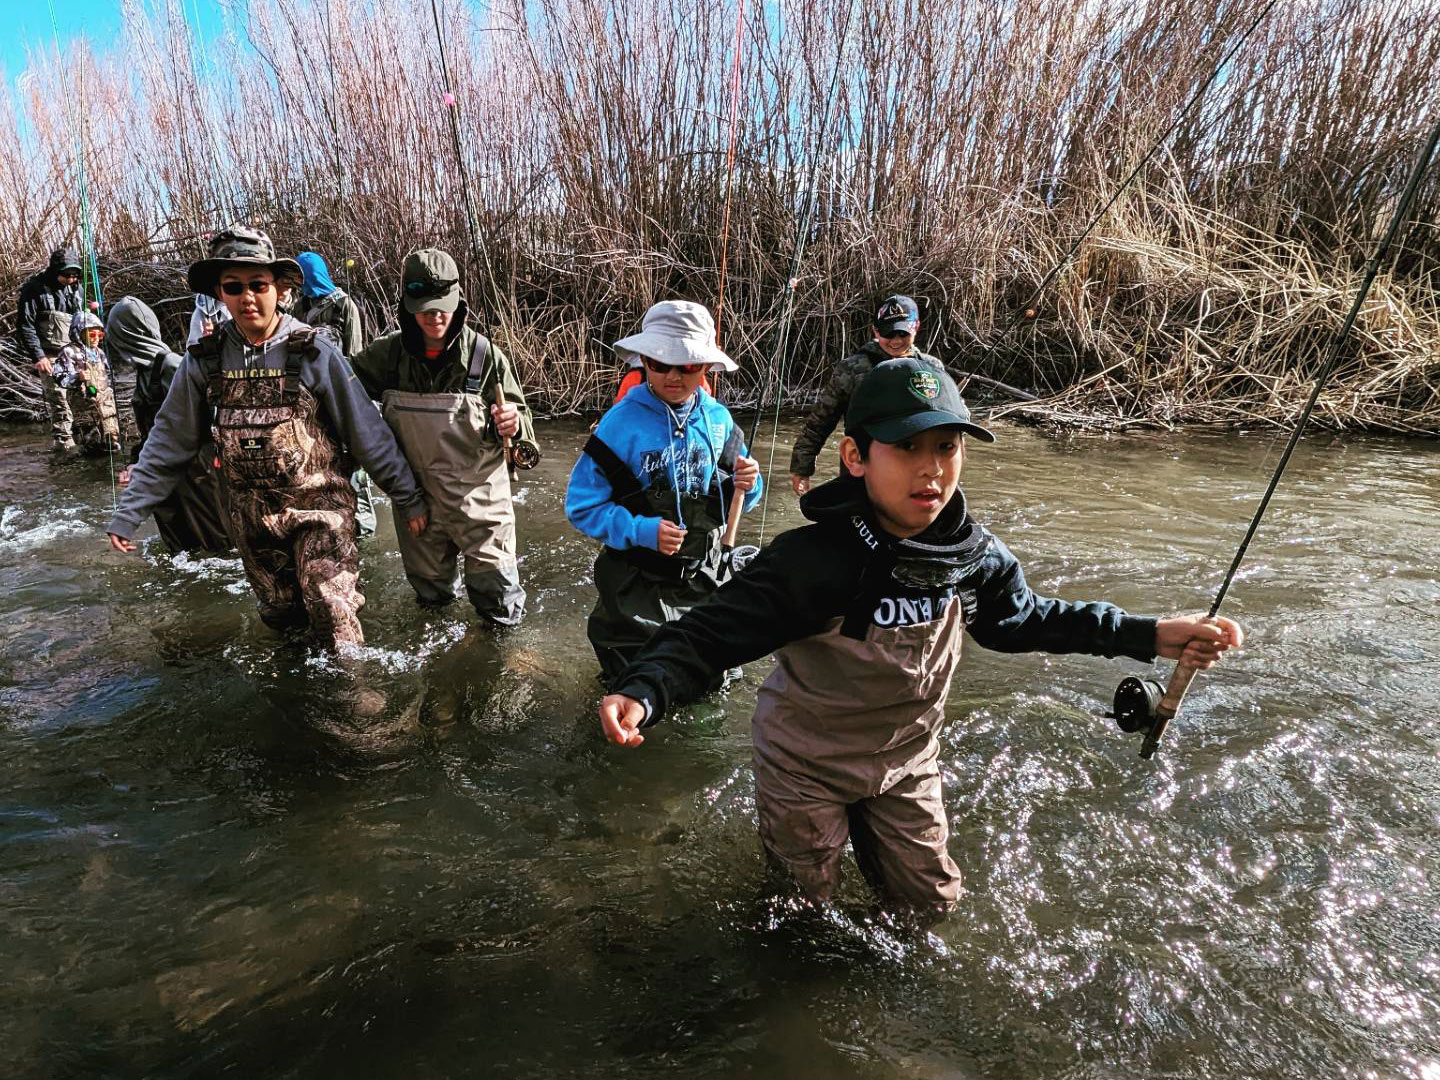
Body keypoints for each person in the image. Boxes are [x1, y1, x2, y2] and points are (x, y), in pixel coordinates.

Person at [599, 358, 1243, 919]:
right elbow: (708, 635)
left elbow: (1023, 619)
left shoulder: (972, 556)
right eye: (908, 448)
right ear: (856, 457)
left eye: (946, 447)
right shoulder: (811, 562)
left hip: (905, 763)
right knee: (803, 911)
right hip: (805, 767)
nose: (931, 471)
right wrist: (644, 690)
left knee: (930, 905)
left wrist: (1149, 635)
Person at [106, 225, 430, 649]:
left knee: (332, 609)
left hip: (321, 511)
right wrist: (131, 511)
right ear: (220, 293)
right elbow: (169, 441)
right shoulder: (202, 362)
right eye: (233, 287)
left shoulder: (314, 351)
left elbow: (365, 429)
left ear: (279, 288)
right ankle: (299, 708)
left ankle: (361, 708)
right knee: (285, 622)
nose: (247, 298)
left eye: (258, 285)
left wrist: (406, 496)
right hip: (252, 520)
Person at [566, 299, 763, 682]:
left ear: (706, 366)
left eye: (688, 365)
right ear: (644, 362)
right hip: (635, 583)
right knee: (634, 682)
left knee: (707, 678)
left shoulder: (719, 420)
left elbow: (743, 496)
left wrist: (751, 485)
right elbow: (581, 508)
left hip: (705, 574)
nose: (674, 375)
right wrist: (642, 531)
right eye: (660, 364)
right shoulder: (618, 425)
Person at [350, 248, 538, 627]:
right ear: (406, 304)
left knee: (499, 606)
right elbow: (342, 396)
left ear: (459, 303)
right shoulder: (384, 357)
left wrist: (514, 426)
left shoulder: (486, 356)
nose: (434, 316)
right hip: (417, 503)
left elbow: (526, 444)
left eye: (442, 306)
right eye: (425, 307)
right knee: (431, 607)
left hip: (481, 504)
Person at [107, 295, 233, 554]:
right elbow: (155, 431)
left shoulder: (173, 365)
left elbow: (212, 418)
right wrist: (137, 465)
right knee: (181, 553)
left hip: (198, 475)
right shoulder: (146, 372)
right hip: (168, 479)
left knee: (215, 549)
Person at [788, 294, 944, 495]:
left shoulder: (932, 368)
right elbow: (820, 422)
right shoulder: (851, 369)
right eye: (889, 334)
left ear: (916, 328)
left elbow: (954, 422)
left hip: (916, 468)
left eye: (903, 334)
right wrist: (802, 468)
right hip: (862, 468)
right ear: (875, 331)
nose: (896, 341)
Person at [296, 251, 375, 537]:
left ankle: (363, 528)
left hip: (341, 394)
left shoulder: (344, 305)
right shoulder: (300, 306)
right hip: (311, 399)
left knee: (355, 465)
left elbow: (354, 354)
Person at [16, 247, 84, 450]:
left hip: (75, 352)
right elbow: (25, 325)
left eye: (75, 275)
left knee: (83, 397)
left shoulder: (76, 289)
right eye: (67, 275)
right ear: (55, 271)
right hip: (50, 355)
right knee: (60, 403)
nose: (71, 279)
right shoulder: (34, 288)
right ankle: (64, 450)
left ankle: (86, 444)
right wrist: (39, 356)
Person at [52, 311, 121, 454]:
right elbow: (59, 377)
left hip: (106, 406)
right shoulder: (68, 352)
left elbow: (108, 375)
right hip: (85, 408)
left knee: (112, 442)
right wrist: (78, 377)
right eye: (92, 335)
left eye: (99, 335)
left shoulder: (100, 353)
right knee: (91, 445)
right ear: (80, 333)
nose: (96, 338)